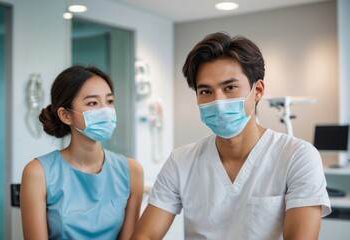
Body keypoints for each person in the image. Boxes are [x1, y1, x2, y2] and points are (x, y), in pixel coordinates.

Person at [131, 32, 331, 240]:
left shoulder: (297, 157)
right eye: (206, 92)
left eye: (230, 88)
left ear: (258, 90)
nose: (218, 101)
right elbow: (145, 235)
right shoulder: (181, 162)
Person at [20, 65, 144, 240]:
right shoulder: (37, 173)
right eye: (93, 103)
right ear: (65, 115)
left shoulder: (132, 171)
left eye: (109, 101)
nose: (105, 111)